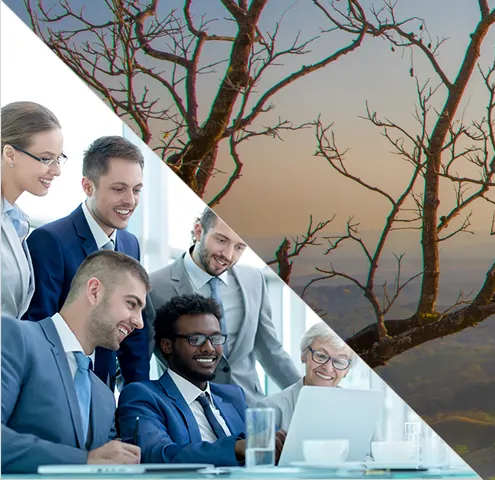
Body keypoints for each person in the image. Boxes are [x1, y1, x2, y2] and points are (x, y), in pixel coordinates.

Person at [1, 250, 146, 473]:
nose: (139, 322)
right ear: (94, 291)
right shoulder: (15, 338)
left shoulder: (105, 397)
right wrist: (85, 460)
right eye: (131, 304)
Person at [24, 135, 147, 391]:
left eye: (136, 190)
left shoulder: (130, 244)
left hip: (105, 397)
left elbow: (134, 339)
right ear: (88, 186)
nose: (131, 200)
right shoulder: (49, 241)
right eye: (118, 189)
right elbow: (40, 331)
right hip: (60, 391)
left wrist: (139, 404)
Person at [145, 208, 296, 400]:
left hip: (250, 408)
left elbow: (270, 352)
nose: (228, 254)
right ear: (199, 231)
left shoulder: (254, 279)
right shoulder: (154, 287)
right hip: (188, 413)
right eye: (221, 240)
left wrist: (312, 393)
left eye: (240, 247)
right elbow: (136, 363)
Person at [115, 294, 283, 467]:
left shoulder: (233, 396)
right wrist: (237, 447)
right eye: (195, 339)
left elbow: (266, 441)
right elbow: (156, 455)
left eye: (216, 339)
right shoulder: (142, 396)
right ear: (167, 345)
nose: (209, 348)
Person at [1, 101, 65, 321]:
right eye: (46, 158)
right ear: (10, 154)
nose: (56, 171)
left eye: (59, 159)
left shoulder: (15, 221)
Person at [255, 322, 359, 431]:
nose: (328, 368)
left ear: (347, 370)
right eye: (321, 356)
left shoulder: (359, 410)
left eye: (339, 362)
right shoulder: (270, 409)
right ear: (304, 355)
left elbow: (376, 447)